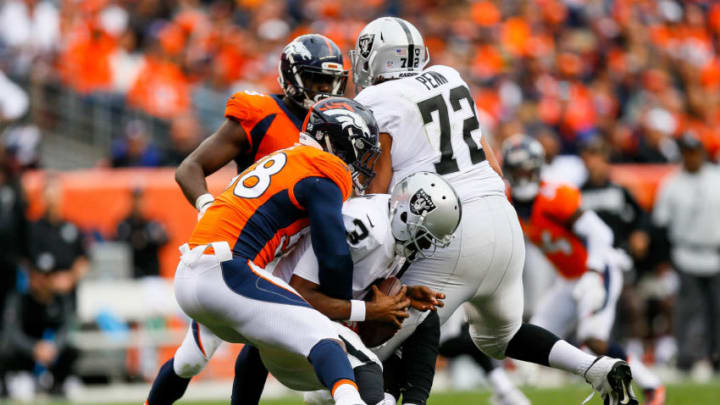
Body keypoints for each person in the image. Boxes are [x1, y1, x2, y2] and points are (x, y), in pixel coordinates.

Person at [352, 16, 637, 405]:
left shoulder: (373, 100)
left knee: (360, 353)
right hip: (501, 220)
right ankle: (596, 369)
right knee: (501, 337)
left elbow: (379, 187)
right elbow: (493, 166)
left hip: (446, 229)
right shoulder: (450, 77)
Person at [145, 97, 381, 405]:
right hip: (227, 274)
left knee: (190, 361)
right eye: (356, 148)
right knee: (325, 338)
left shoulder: (288, 157)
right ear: (331, 140)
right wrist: (343, 304)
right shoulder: (323, 167)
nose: (358, 159)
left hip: (191, 273)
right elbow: (333, 254)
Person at [229, 171, 459, 405]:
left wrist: (405, 295)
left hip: (316, 325)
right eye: (424, 237)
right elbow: (299, 295)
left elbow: (365, 288)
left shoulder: (391, 224)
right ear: (405, 218)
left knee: (424, 315)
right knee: (368, 364)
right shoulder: (366, 229)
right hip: (293, 326)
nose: (425, 245)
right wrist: (369, 310)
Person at [502, 134, 664, 405]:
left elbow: (600, 233)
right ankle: (505, 394)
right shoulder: (507, 201)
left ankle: (651, 385)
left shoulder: (555, 196)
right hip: (568, 278)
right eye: (516, 170)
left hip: (598, 269)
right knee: (532, 335)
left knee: (593, 339)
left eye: (526, 169)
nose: (521, 175)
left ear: (538, 167)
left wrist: (592, 272)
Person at [174, 33, 347, 218]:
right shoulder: (262, 114)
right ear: (291, 77)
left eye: (330, 80)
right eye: (316, 79)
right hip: (259, 235)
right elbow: (190, 167)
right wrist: (207, 206)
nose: (325, 88)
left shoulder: (339, 126)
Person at [652, 132, 720, 373]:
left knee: (716, 308)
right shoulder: (671, 183)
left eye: (695, 151)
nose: (692, 157)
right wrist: (664, 261)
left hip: (716, 251)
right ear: (682, 155)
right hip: (685, 252)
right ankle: (689, 358)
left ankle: (715, 357)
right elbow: (660, 225)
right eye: (687, 152)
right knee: (689, 309)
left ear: (702, 152)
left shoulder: (716, 177)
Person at [0, 264, 78, 399]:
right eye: (36, 275)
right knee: (6, 349)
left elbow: (67, 328)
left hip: (50, 351)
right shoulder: (19, 299)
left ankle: (57, 382)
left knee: (71, 350)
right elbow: (12, 332)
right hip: (25, 353)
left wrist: (54, 346)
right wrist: (33, 348)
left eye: (45, 276)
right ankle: (16, 380)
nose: (40, 280)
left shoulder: (60, 299)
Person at [115, 188, 169, 278]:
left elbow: (165, 240)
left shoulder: (152, 222)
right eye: (136, 200)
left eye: (141, 200)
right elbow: (124, 244)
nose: (139, 203)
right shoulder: (125, 224)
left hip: (153, 274)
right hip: (132, 275)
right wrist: (148, 237)